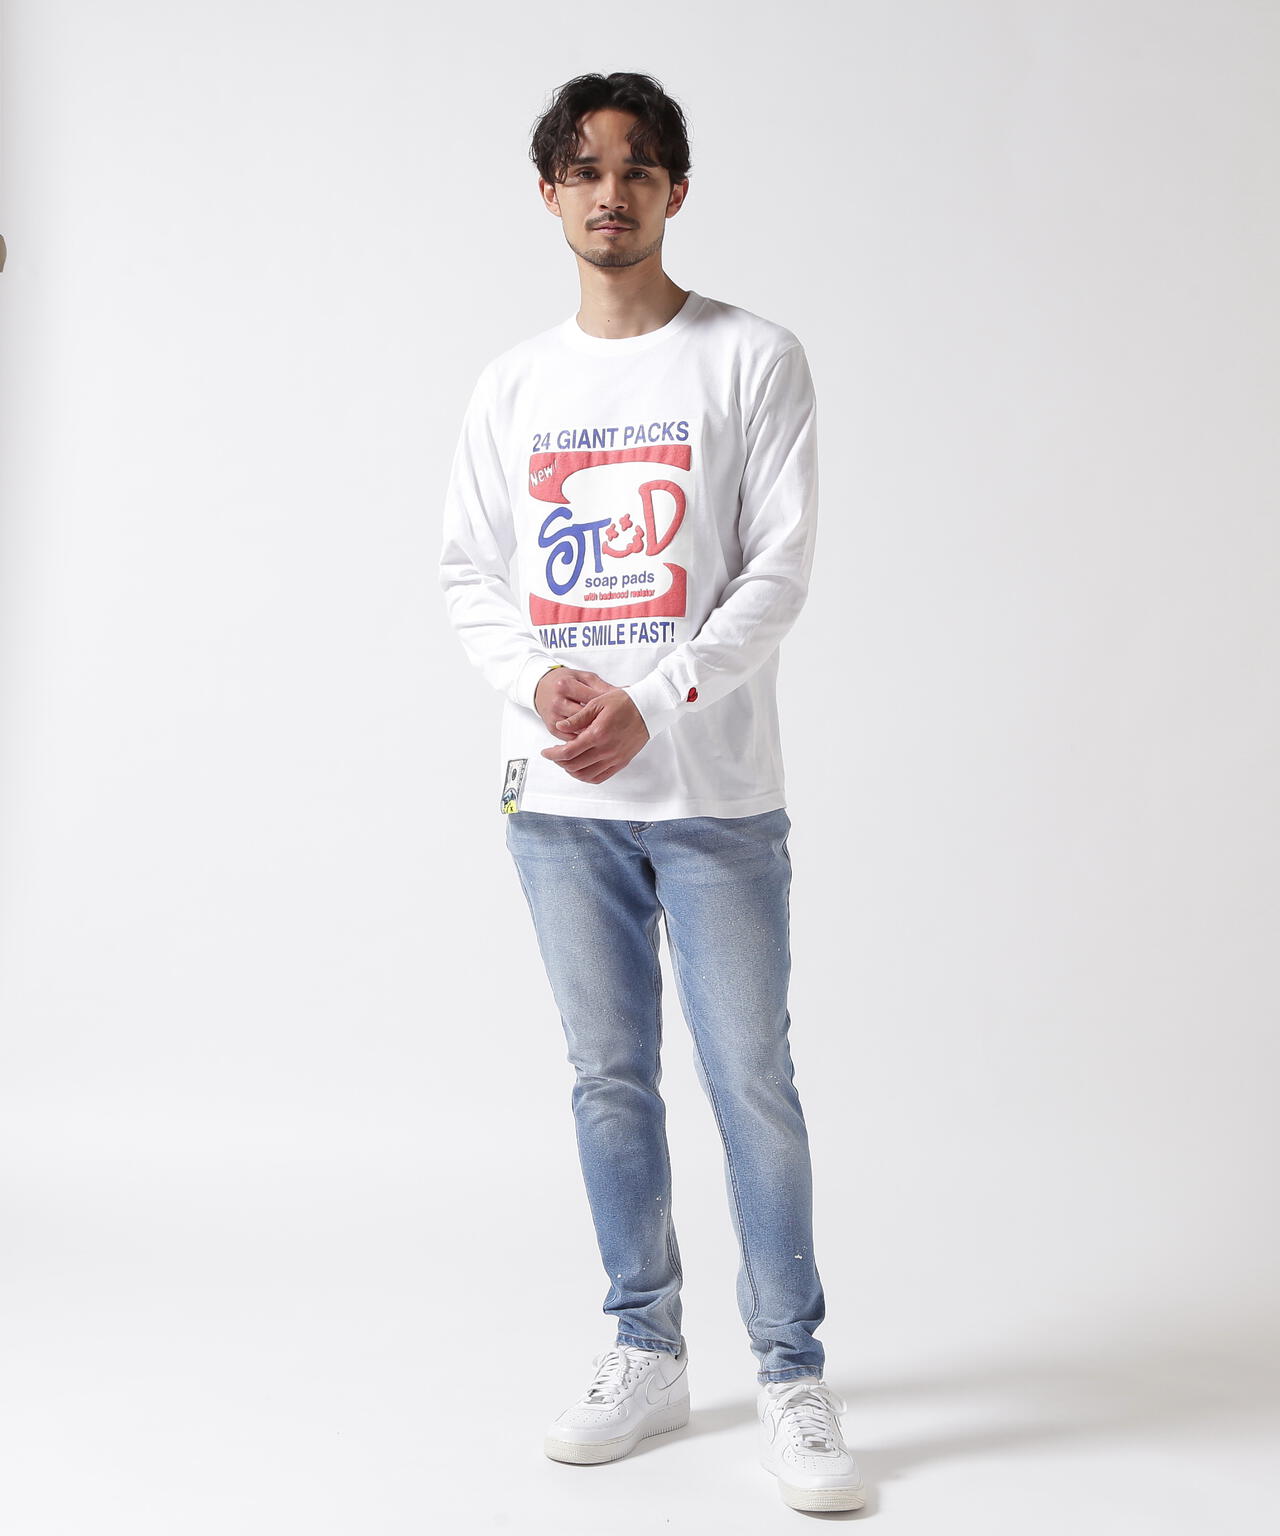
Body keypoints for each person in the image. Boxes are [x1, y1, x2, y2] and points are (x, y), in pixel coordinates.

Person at [438, 70, 866, 1514]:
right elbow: (468, 573)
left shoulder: (750, 359)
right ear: (548, 195)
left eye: (635, 168)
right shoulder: (514, 386)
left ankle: (792, 1371)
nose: (608, 193)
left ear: (677, 188)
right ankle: (647, 1348)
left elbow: (778, 572)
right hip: (560, 805)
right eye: (582, 169)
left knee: (751, 1082)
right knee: (608, 1080)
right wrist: (544, 681)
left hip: (714, 795)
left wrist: (656, 697)